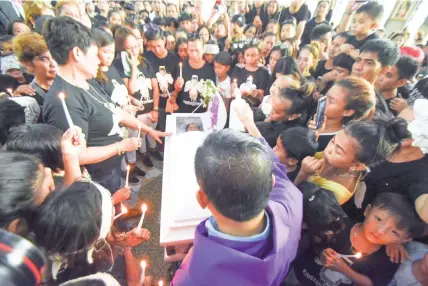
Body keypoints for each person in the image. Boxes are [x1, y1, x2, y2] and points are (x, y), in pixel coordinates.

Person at [172, 99, 303, 286]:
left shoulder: (194, 278)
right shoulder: (291, 202)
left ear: (202, 198)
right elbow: (275, 167)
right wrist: (249, 123)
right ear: (271, 183)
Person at [42, 17, 167, 192]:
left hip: (111, 169)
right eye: (94, 55)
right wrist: (121, 146)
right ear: (77, 53)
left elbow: (115, 110)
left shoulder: (88, 81)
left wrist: (148, 130)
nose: (99, 61)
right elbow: (75, 156)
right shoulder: (63, 102)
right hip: (95, 180)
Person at [289, 192, 426, 286]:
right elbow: (311, 242)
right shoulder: (339, 225)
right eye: (378, 219)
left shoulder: (388, 259)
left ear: (404, 239)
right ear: (367, 210)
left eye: (394, 232)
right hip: (298, 275)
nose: (380, 231)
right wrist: (322, 254)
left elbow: (373, 283)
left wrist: (345, 270)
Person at [31, 180, 150, 285]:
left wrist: (124, 244)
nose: (114, 210)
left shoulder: (60, 246)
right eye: (110, 214)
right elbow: (133, 283)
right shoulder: (97, 279)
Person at [343, 99, 428, 224]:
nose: (396, 129)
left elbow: (424, 211)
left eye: (406, 125)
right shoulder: (380, 137)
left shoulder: (420, 174)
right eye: (397, 121)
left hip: (357, 227)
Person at [296, 116, 408, 206]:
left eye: (338, 151)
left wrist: (303, 174)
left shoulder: (336, 193)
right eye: (333, 141)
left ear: (358, 166)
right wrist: (313, 136)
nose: (328, 150)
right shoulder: (336, 159)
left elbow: (295, 205)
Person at [113, 26, 162, 168]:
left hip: (150, 108)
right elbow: (132, 89)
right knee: (136, 139)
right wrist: (133, 67)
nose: (134, 50)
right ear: (122, 49)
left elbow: (155, 87)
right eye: (129, 48)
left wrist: (155, 109)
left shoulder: (145, 62)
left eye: (135, 46)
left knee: (149, 135)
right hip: (135, 115)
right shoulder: (119, 65)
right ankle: (134, 164)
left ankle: (151, 152)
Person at [257, 80, 314, 147]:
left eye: (276, 112)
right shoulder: (289, 112)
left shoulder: (284, 135)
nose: (271, 111)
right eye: (272, 107)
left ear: (292, 116)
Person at [143, 28, 179, 134]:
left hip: (171, 101)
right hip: (154, 103)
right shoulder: (146, 57)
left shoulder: (174, 58)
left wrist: (174, 94)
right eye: (152, 47)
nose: (156, 50)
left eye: (158, 45)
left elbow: (178, 80)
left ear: (164, 41)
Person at [351, 39, 400, 114]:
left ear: (383, 70)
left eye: (369, 63)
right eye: (358, 60)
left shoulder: (376, 110)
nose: (358, 67)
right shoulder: (339, 86)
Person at [169, 35, 215, 113]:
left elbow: (212, 96)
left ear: (203, 49)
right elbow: (176, 91)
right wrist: (176, 91)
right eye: (191, 50)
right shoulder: (182, 66)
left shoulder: (210, 69)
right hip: (184, 112)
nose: (194, 54)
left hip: (202, 114)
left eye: (197, 50)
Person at [12, 32, 57, 107]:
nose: (53, 64)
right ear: (27, 64)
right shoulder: (29, 96)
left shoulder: (70, 82)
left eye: (54, 57)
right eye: (44, 59)